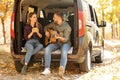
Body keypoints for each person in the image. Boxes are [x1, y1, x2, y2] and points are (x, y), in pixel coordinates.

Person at [41, 12, 71, 78]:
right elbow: (46, 27)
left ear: (58, 17)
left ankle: (61, 70)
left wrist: (59, 37)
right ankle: (47, 69)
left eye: (54, 17)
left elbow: (65, 39)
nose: (53, 18)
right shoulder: (54, 24)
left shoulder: (67, 27)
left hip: (65, 43)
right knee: (47, 48)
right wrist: (46, 31)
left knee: (64, 52)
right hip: (57, 43)